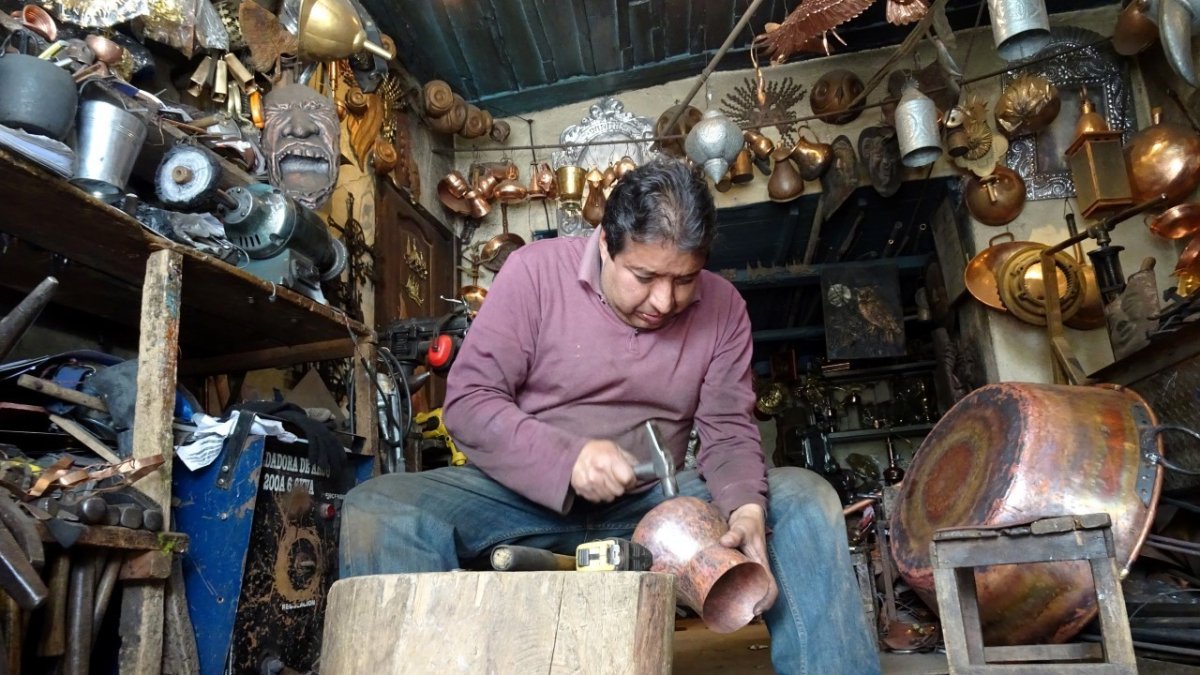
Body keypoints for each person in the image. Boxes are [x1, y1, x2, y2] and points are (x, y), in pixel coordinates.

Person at [340, 159, 880, 674]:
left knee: (802, 499)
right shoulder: (533, 273)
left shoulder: (724, 309)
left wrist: (746, 508)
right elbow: (469, 401)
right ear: (604, 244)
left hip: (654, 503)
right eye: (644, 276)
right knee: (379, 508)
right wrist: (566, 459)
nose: (664, 300)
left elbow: (729, 431)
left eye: (685, 279)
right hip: (518, 496)